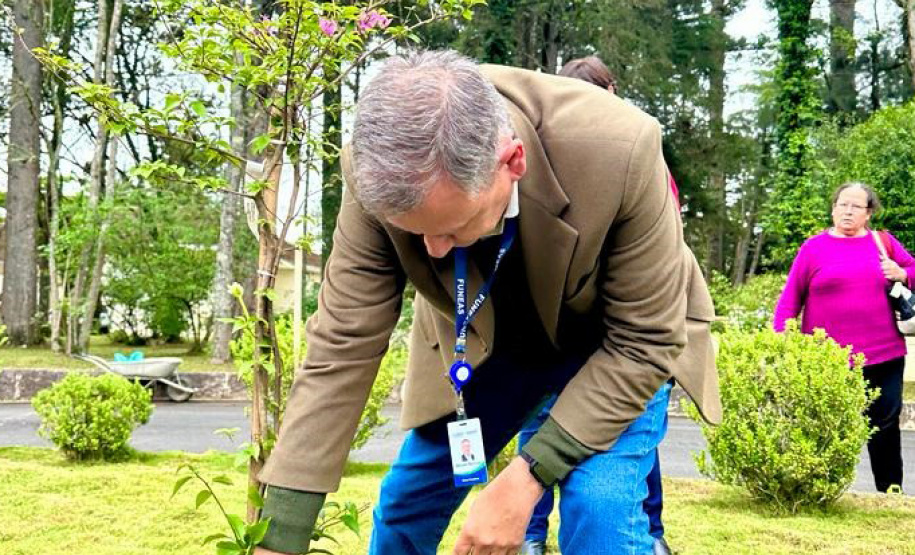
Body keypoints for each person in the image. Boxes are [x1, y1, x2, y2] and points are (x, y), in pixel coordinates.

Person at [254, 49, 720, 555]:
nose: (432, 250)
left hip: (615, 348)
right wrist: (281, 534)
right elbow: (343, 343)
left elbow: (645, 338)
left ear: (512, 162)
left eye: (450, 228)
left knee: (598, 510)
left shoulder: (621, 148)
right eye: (417, 233)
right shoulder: (377, 170)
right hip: (495, 348)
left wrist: (528, 476)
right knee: (408, 503)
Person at [515, 55, 678, 555]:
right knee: (535, 434)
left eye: (596, 97)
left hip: (624, 343)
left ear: (612, 93)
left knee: (613, 477)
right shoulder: (539, 157)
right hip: (552, 345)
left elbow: (659, 267)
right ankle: (530, 535)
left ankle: (649, 531)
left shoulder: (639, 154)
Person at [773, 182, 912, 493]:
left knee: (885, 427)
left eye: (855, 206)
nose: (847, 211)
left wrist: (903, 274)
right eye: (842, 204)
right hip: (828, 359)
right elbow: (789, 301)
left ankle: (890, 492)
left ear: (868, 213)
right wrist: (783, 341)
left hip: (884, 355)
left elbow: (911, 270)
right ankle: (819, 491)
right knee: (825, 425)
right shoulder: (813, 248)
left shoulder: (883, 243)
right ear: (833, 208)